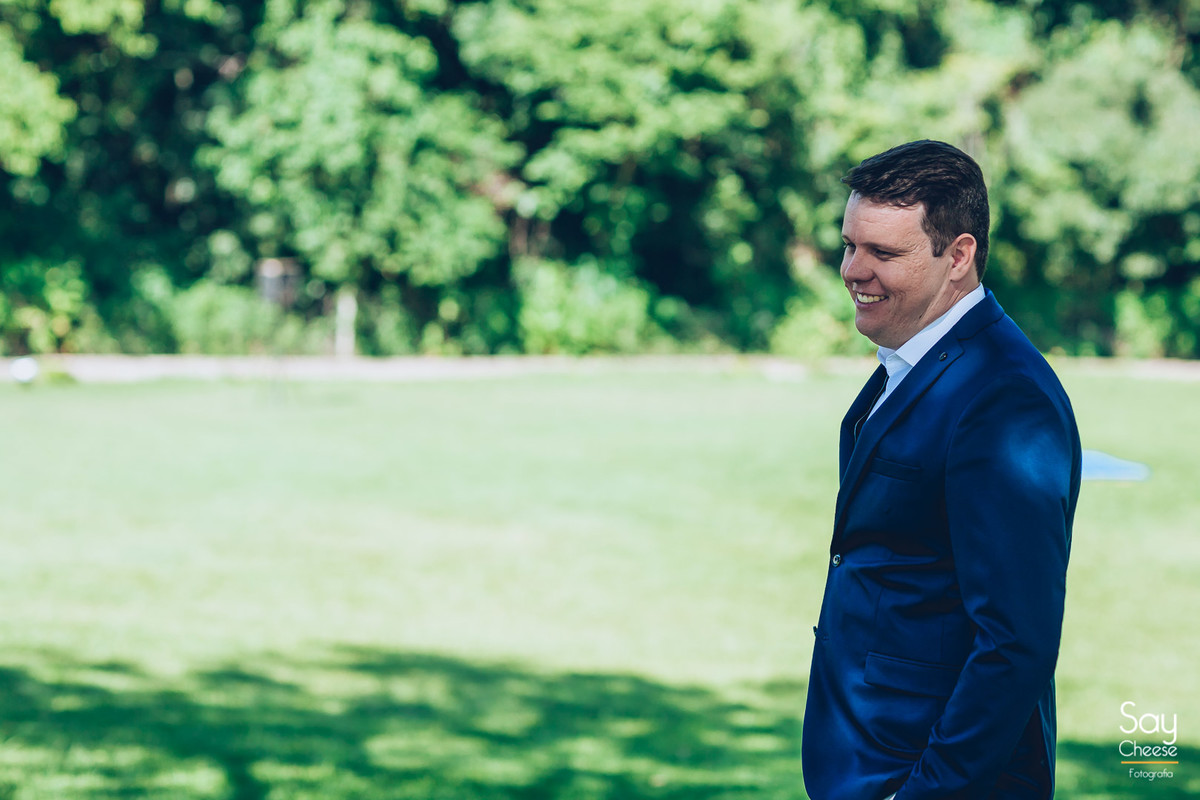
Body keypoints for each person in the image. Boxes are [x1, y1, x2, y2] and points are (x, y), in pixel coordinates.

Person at [801, 140, 1082, 800]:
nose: (853, 270)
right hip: (866, 761)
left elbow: (1017, 642)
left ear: (957, 256)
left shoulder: (1003, 398)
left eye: (884, 253)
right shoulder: (908, 363)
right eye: (849, 245)